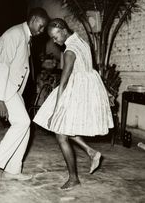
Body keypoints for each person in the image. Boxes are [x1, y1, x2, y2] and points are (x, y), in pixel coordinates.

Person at [33, 18, 114, 190]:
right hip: (87, 88)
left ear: (62, 29)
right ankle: (91, 152)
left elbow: (63, 83)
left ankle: (73, 178)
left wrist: (55, 110)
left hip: (76, 91)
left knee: (60, 133)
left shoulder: (70, 51)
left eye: (55, 37)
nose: (55, 41)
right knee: (64, 129)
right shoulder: (81, 40)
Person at [0, 7, 49, 188]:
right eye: (41, 26)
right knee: (23, 123)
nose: (42, 31)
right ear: (33, 20)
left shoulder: (24, 37)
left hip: (11, 90)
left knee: (25, 126)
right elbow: (2, 66)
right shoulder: (15, 34)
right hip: (5, 89)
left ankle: (13, 170)